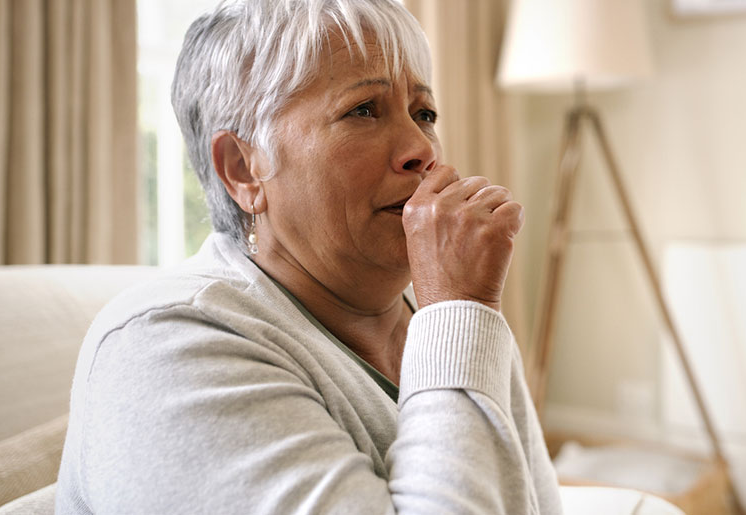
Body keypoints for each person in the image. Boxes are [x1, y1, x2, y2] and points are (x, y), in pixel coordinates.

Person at [56, 0, 562, 513]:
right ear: (243, 170)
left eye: (424, 113)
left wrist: (458, 311)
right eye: (363, 109)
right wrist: (459, 312)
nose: (422, 149)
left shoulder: (442, 311)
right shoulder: (165, 348)